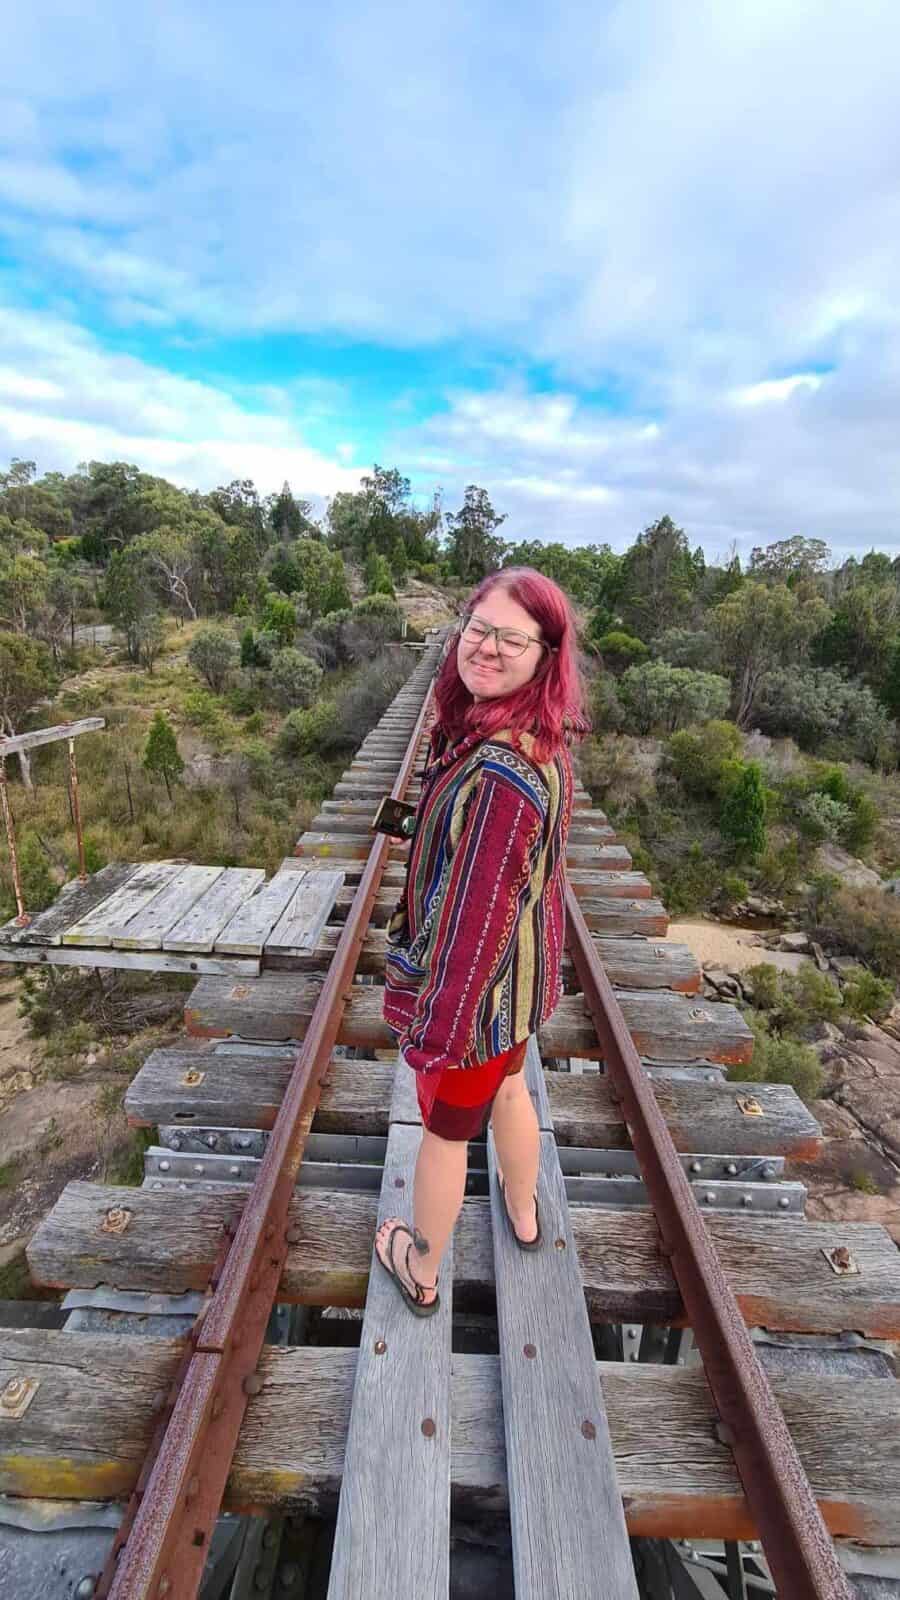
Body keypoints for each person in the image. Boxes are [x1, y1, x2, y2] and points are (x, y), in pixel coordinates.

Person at [374, 565, 590, 1316]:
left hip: (478, 1003)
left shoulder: (502, 773)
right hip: (521, 994)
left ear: (544, 654)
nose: (487, 648)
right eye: (478, 629)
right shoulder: (535, 739)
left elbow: (473, 929)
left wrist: (436, 1035)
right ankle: (525, 1213)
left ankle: (420, 1267)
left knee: (442, 1135)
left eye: (512, 638)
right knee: (510, 1089)